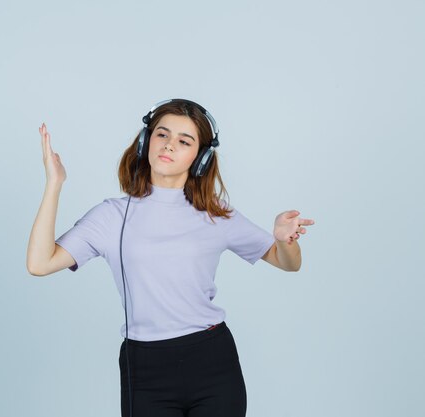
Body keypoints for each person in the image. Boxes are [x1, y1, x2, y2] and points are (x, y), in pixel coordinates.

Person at [26, 99, 315, 417]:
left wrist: (283, 240)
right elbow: (40, 263)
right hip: (145, 367)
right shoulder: (111, 216)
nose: (169, 145)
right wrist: (54, 184)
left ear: (201, 157)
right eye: (162, 134)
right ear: (144, 141)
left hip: (212, 360)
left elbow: (288, 262)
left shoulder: (216, 214)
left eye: (184, 141)